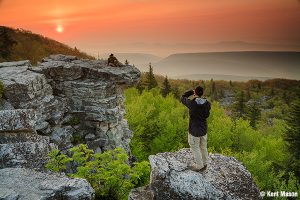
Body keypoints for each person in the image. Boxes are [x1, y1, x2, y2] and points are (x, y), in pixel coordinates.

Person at [180, 86, 211, 172]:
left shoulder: (191, 104)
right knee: (203, 147)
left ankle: (199, 166)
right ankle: (205, 163)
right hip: (203, 130)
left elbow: (182, 97)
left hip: (194, 130)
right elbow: (207, 115)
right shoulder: (208, 104)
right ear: (203, 93)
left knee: (195, 147)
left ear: (195, 93)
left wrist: (190, 92)